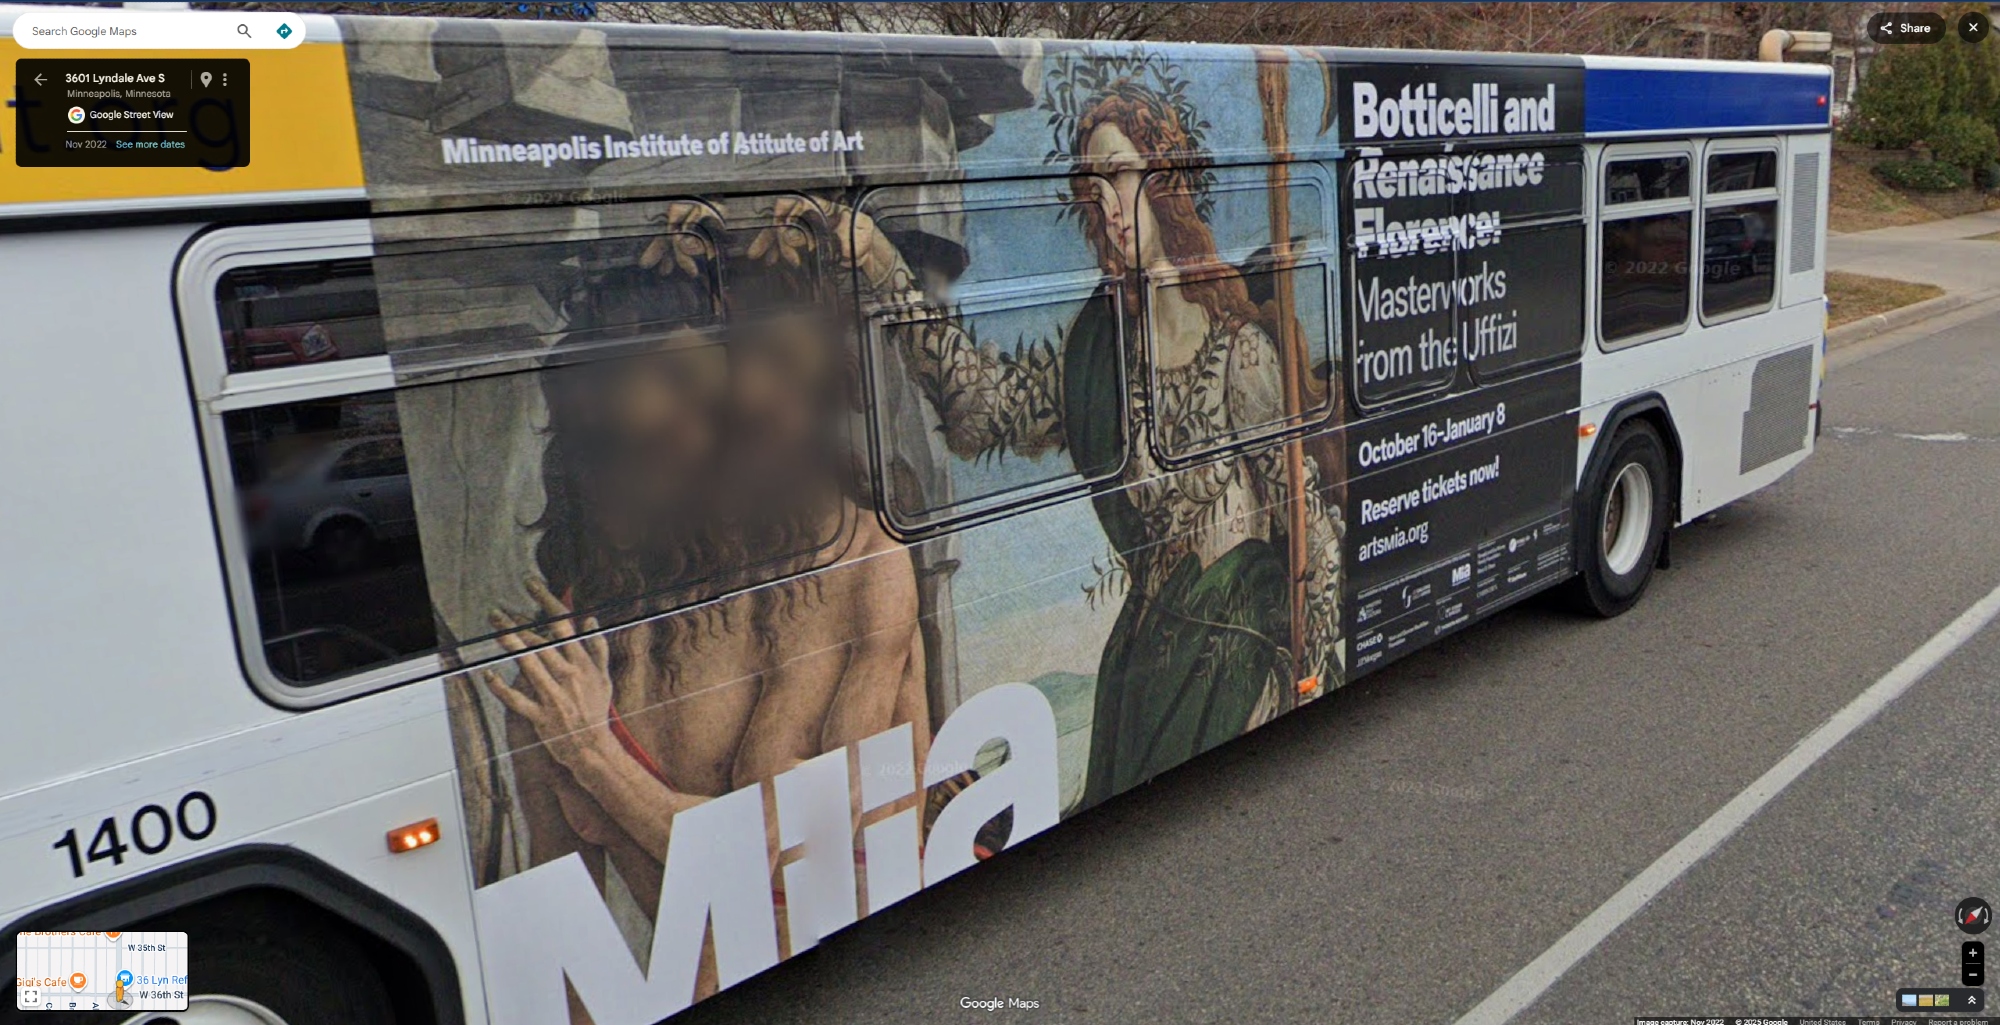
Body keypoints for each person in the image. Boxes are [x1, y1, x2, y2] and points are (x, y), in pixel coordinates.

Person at [808, 58, 1345, 809]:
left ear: (1164, 177)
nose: (1111, 206)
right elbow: (980, 410)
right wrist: (880, 263)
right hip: (1147, 663)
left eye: (1121, 175)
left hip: (1238, 656)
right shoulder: (1097, 354)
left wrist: (1315, 657)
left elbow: (1304, 518)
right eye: (1094, 188)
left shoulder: (1241, 355)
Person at [479, 232, 929, 1009]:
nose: (708, 437)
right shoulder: (558, 678)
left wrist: (596, 757)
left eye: (714, 408)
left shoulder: (846, 566)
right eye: (671, 406)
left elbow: (796, 849)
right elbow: (565, 941)